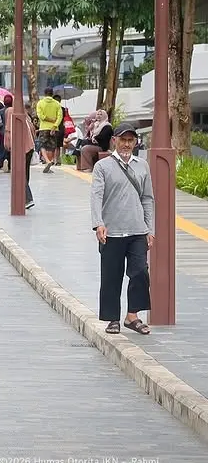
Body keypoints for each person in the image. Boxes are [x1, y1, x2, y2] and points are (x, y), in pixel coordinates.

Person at [90, 123, 154, 336]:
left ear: (135, 142)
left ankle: (132, 316)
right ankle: (112, 319)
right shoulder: (103, 167)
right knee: (111, 276)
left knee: (140, 273)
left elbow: (147, 198)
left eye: (131, 140)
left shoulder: (142, 165)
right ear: (114, 140)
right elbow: (96, 196)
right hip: (112, 231)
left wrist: (149, 229)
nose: (127, 144)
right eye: (123, 140)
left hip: (137, 230)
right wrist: (98, 223)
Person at [3, 95, 37, 211]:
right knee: (25, 173)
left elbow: (8, 130)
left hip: (20, 146)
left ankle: (27, 198)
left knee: (19, 173)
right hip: (30, 146)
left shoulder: (10, 111)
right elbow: (32, 128)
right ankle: (23, 197)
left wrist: (7, 144)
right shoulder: (24, 112)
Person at [35, 87, 63, 172]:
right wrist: (55, 125)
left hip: (43, 127)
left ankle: (47, 161)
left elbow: (40, 116)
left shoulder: (40, 103)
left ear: (44, 93)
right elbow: (60, 116)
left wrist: (48, 119)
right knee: (51, 147)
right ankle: (49, 163)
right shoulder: (57, 104)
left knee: (42, 145)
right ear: (52, 93)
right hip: (54, 129)